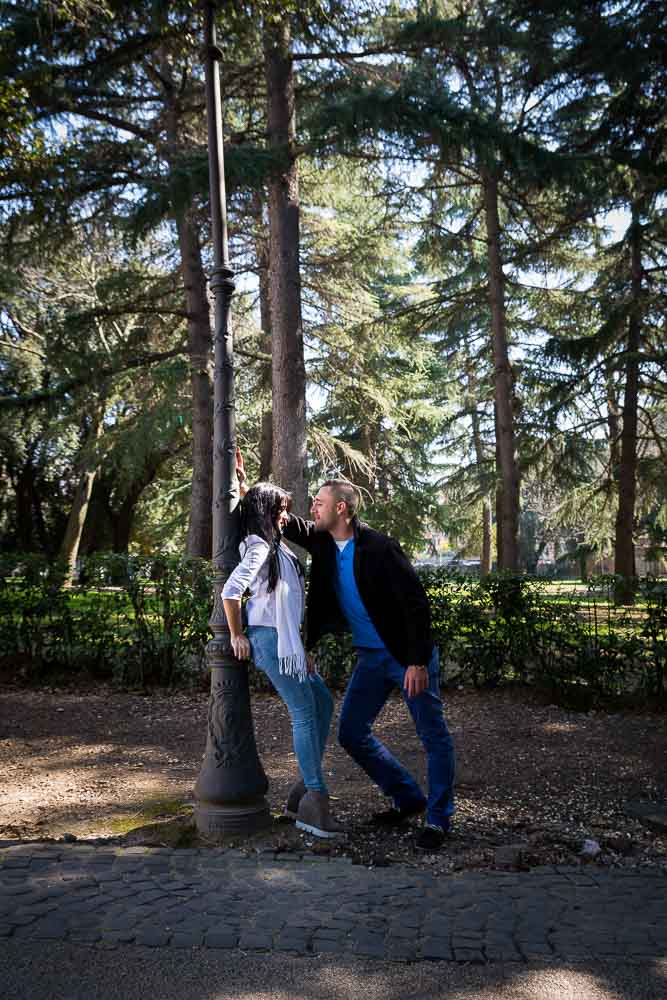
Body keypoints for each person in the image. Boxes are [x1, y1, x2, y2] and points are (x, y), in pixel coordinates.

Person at [282, 479, 456, 851]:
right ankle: (408, 797)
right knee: (351, 732)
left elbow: (415, 605)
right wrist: (244, 488)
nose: (313, 508)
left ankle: (438, 820)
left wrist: (417, 662)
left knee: (433, 736)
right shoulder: (323, 541)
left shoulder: (380, 547)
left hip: (405, 657)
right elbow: (285, 521)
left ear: (341, 508)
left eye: (319, 502)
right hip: (370, 658)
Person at [221, 480, 344, 840]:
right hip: (268, 640)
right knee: (305, 712)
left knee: (323, 702)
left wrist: (301, 648)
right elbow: (231, 590)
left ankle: (299, 794)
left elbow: (287, 604)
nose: (286, 516)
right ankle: (314, 801)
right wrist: (236, 634)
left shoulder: (275, 544)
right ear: (266, 513)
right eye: (280, 510)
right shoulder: (259, 546)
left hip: (287, 643)